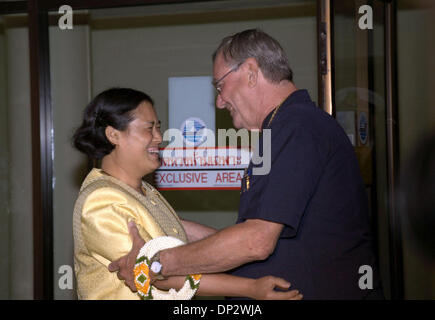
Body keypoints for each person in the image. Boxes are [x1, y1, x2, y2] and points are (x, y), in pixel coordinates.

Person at [109, 29, 384, 299]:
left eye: (220, 86)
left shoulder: (297, 127)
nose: (219, 102)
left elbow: (255, 242)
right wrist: (158, 221)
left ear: (251, 72)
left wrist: (155, 264)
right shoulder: (288, 128)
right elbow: (252, 240)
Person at [72, 87, 303, 300]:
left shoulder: (143, 190)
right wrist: (249, 288)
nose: (159, 138)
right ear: (113, 135)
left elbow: (176, 235)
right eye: (149, 128)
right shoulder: (100, 201)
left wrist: (242, 245)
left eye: (158, 127)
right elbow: (152, 273)